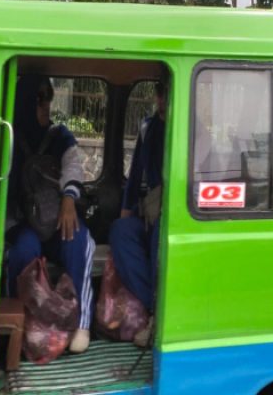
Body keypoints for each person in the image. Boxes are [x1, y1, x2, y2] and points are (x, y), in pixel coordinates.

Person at [5, 75, 95, 354]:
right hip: (23, 222)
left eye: (49, 97)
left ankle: (81, 323)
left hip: (55, 216)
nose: (45, 104)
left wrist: (69, 198)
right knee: (24, 249)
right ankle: (20, 323)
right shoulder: (8, 138)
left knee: (77, 238)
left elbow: (72, 167)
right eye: (38, 98)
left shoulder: (60, 137)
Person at [109, 81, 166, 347]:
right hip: (148, 209)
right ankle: (151, 303)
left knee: (160, 239)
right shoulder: (148, 127)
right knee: (120, 232)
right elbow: (134, 175)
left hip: (171, 212)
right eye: (161, 94)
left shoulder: (193, 131)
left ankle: (158, 316)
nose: (162, 100)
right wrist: (126, 209)